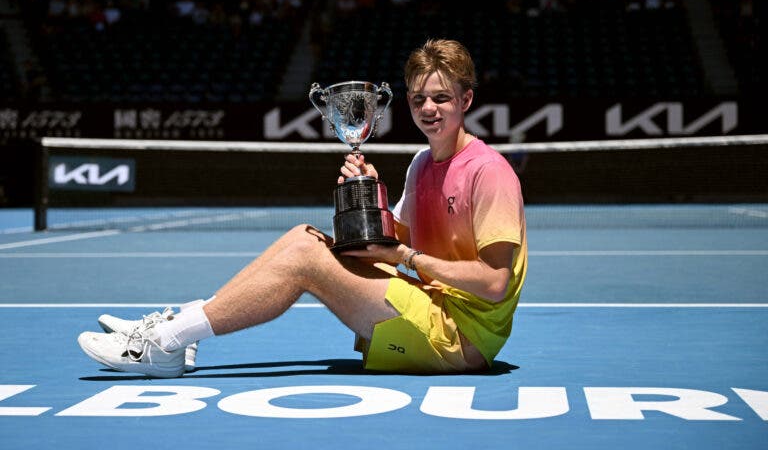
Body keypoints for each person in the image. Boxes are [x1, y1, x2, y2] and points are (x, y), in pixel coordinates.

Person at [77, 39, 528, 377]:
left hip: (460, 337)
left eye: (442, 98)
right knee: (303, 237)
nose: (429, 108)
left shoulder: (488, 172)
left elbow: (493, 283)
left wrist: (403, 259)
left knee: (305, 259)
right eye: (418, 99)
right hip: (430, 305)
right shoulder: (422, 164)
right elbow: (398, 237)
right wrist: (370, 197)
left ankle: (163, 344)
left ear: (465, 101)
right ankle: (184, 328)